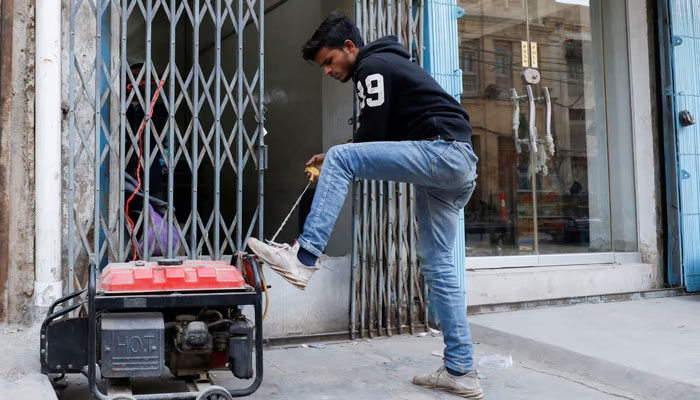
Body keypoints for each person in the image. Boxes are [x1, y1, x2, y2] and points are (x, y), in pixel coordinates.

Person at [246, 13, 482, 399]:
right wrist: (337, 157)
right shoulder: (390, 64)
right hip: (457, 164)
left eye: (329, 61)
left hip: (443, 154)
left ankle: (303, 260)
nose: (327, 71)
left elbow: (369, 136)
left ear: (350, 48)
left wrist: (337, 157)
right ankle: (461, 370)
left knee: (341, 157)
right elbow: (378, 136)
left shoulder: (371, 65)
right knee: (438, 265)